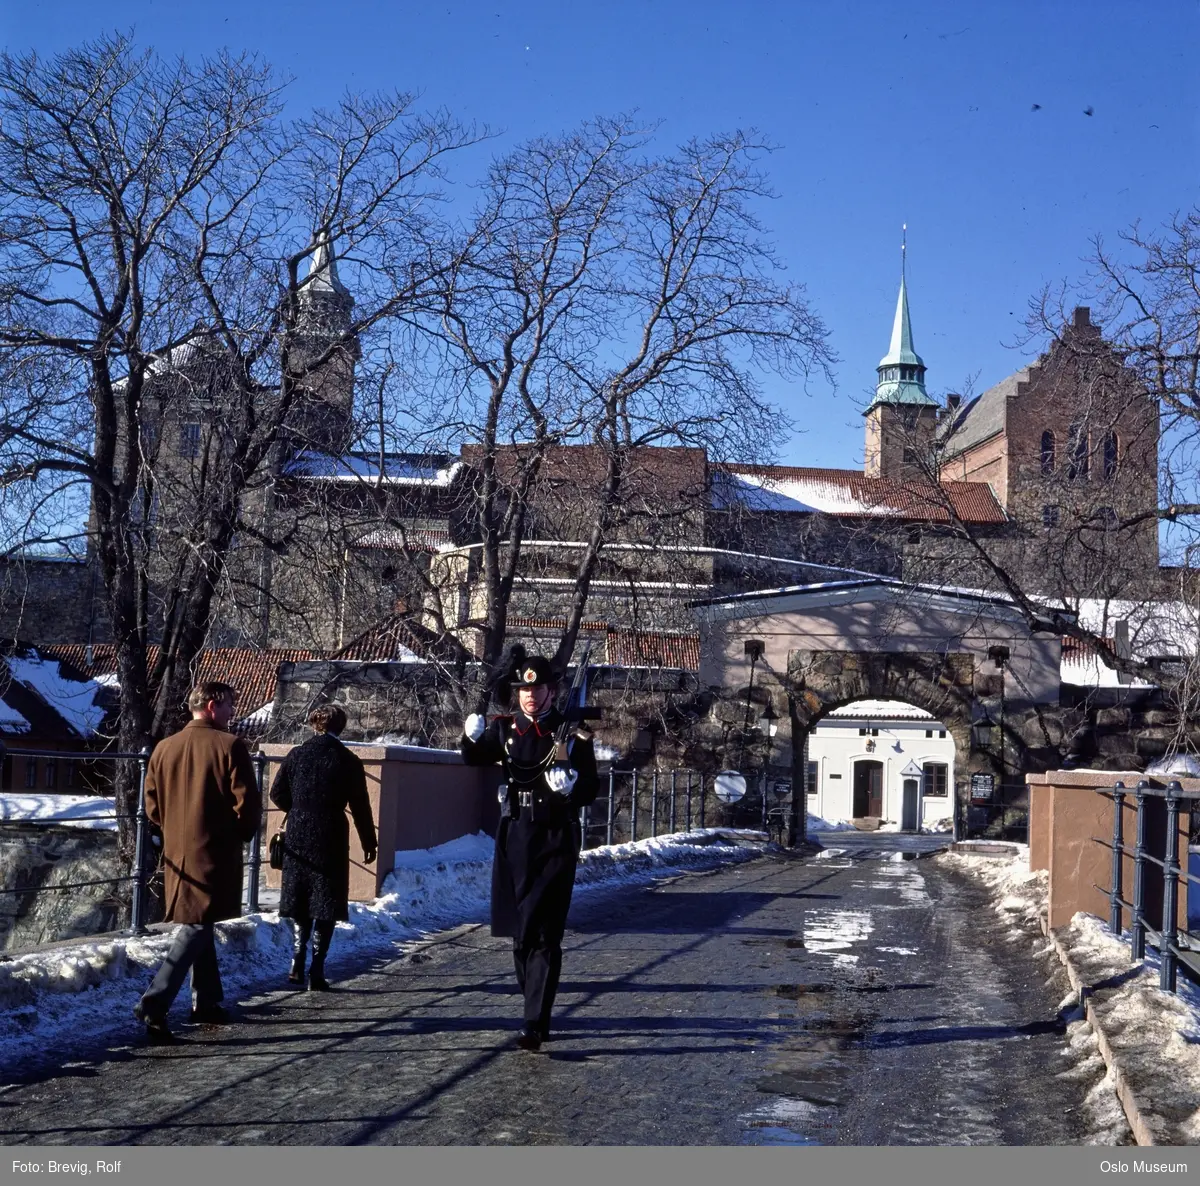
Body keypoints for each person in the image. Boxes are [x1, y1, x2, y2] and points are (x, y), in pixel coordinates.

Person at [461, 652, 598, 1050]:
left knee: (544, 931)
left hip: (555, 838)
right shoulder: (505, 730)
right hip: (515, 835)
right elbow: (474, 759)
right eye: (524, 689)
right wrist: (468, 737)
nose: (530, 696)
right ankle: (532, 1002)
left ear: (551, 692)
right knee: (520, 934)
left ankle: (535, 1022)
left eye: (538, 689)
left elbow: (592, 786)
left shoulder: (572, 735)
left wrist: (572, 788)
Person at [133, 681, 262, 1044]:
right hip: (216, 849)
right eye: (230, 705)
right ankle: (154, 1003)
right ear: (211, 705)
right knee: (197, 926)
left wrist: (176, 829)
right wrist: (239, 835)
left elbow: (153, 806)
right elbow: (248, 806)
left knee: (199, 920)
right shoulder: (230, 746)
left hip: (177, 849)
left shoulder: (163, 747)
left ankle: (205, 1001)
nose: (233, 712)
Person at [269, 704, 377, 991]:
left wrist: (299, 809)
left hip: (299, 831)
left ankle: (296, 957)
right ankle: (316, 969)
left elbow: (276, 792)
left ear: (314, 725)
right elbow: (361, 806)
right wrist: (369, 842)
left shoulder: (296, 755)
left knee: (300, 897)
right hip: (330, 832)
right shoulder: (347, 760)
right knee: (325, 902)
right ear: (340, 727)